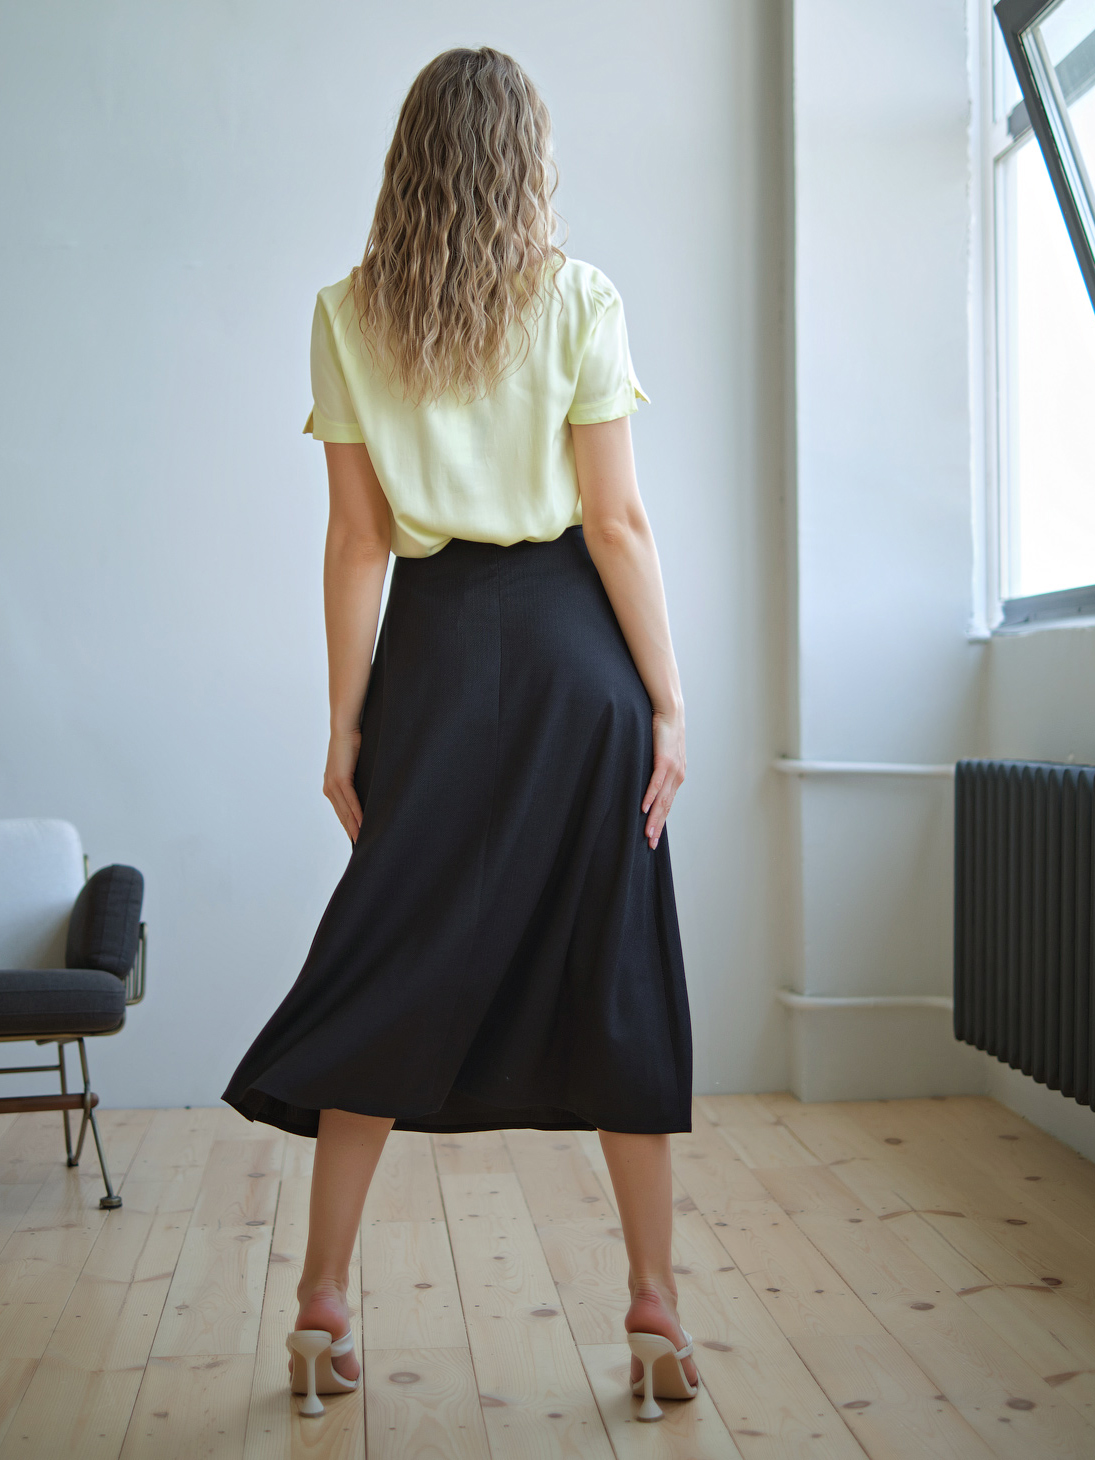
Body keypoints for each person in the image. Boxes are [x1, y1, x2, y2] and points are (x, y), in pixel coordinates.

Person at [221, 45, 696, 1423]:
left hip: (431, 659)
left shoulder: (346, 313)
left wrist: (345, 723)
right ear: (526, 160)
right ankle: (655, 1305)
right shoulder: (581, 299)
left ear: (409, 159)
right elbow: (615, 522)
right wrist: (667, 699)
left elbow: (357, 540)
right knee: (617, 966)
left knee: (389, 960)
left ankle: (322, 1300)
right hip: (576, 663)